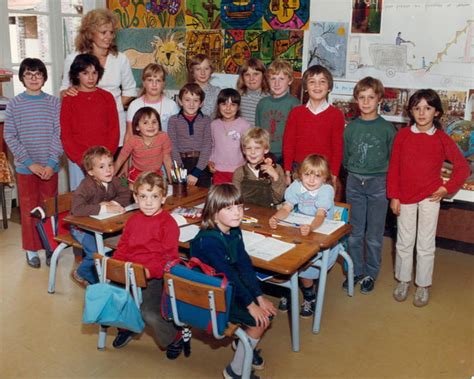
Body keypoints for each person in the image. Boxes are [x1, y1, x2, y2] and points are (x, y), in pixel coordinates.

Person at [387, 89, 470, 307]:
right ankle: (403, 280)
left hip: (430, 198)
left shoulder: (442, 138)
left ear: (437, 112)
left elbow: (461, 168)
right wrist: (394, 196)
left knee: (425, 244)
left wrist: (446, 189)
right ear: (411, 111)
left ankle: (422, 285)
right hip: (404, 196)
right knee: (404, 242)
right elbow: (394, 167)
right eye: (417, 108)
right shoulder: (402, 136)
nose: (422, 113)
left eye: (427, 108)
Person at [190, 184, 277, 378]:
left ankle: (244, 344)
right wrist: (250, 305)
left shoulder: (234, 230)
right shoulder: (209, 241)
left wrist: (259, 296)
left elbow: (244, 264)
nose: (237, 213)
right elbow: (228, 275)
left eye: (239, 206)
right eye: (229, 208)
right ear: (213, 213)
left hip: (226, 286)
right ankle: (234, 371)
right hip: (211, 293)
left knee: (264, 311)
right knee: (259, 321)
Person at [112, 172, 187, 359]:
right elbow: (123, 247)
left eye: (154, 196)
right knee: (118, 301)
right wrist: (115, 266)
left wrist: (149, 270)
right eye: (143, 196)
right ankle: (128, 328)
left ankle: (174, 337)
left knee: (150, 313)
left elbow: (169, 258)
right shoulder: (133, 220)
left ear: (163, 197)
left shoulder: (168, 224)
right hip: (130, 272)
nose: (148, 202)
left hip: (155, 277)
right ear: (136, 197)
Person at [4, 58, 62, 269]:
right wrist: (30, 163)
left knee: (49, 208)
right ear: (22, 78)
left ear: (44, 78)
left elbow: (59, 134)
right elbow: (10, 136)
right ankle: (31, 249)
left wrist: (51, 162)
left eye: (38, 74)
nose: (34, 78)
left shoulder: (55, 103)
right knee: (29, 208)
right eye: (29, 74)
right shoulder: (14, 104)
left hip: (50, 166)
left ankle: (50, 247)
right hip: (26, 167)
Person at [342, 77, 397, 294]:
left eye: (371, 97)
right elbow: (346, 158)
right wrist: (356, 172)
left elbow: (393, 161)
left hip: (378, 184)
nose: (366, 102)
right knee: (354, 233)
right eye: (361, 97)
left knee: (373, 235)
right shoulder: (351, 128)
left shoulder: (387, 129)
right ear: (356, 100)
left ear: (379, 100)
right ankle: (355, 270)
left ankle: (370, 274)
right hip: (354, 182)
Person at [269, 154, 340, 317]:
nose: (312, 180)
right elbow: (286, 208)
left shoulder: (326, 190)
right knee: (281, 253)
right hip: (301, 228)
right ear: (300, 175)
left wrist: (311, 227)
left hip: (322, 232)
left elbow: (320, 216)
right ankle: (289, 290)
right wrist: (276, 218)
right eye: (307, 174)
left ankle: (309, 295)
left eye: (317, 176)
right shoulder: (296, 186)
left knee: (303, 263)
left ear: (325, 178)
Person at [60, 8, 136, 147]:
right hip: (83, 126)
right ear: (90, 34)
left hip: (113, 125)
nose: (108, 36)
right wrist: (68, 93)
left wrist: (110, 106)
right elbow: (64, 89)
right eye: (103, 32)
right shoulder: (73, 58)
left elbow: (130, 90)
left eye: (111, 32)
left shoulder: (120, 59)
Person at [70, 146, 131, 286]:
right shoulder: (86, 185)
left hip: (102, 225)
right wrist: (104, 208)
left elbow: (126, 193)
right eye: (102, 167)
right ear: (91, 171)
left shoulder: (115, 180)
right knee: (95, 253)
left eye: (110, 165)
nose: (108, 170)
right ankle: (80, 273)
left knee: (123, 243)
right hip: (81, 228)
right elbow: (77, 209)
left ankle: (106, 275)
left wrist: (113, 203)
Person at [60, 53, 119, 190]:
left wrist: (105, 157)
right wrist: (81, 160)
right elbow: (66, 133)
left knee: (104, 198)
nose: (91, 77)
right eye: (85, 73)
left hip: (104, 159)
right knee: (81, 198)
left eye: (94, 72)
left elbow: (114, 129)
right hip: (77, 159)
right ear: (77, 75)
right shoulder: (69, 99)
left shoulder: (107, 97)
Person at [282, 65, 345, 193]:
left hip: (324, 172)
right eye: (312, 82)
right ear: (305, 87)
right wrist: (287, 172)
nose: (317, 86)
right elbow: (288, 143)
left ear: (329, 87)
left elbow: (337, 147)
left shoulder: (336, 115)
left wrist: (334, 175)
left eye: (322, 82)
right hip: (299, 170)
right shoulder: (296, 113)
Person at [167, 83, 212, 188]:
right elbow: (173, 146)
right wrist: (181, 170)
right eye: (187, 100)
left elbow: (207, 146)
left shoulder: (206, 120)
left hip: (201, 165)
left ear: (201, 103)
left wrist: (196, 172)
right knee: (181, 197)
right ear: (180, 101)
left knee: (203, 199)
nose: (191, 104)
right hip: (181, 165)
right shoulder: (173, 120)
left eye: (196, 100)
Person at [255, 59, 300, 164]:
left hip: (286, 155)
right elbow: (258, 130)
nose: (277, 83)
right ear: (268, 80)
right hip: (265, 153)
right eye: (273, 78)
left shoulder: (295, 104)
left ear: (289, 80)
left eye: (281, 79)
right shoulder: (262, 103)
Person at [115, 107, 173, 187]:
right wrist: (110, 178)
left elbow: (167, 159)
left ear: (159, 124)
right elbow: (121, 159)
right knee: (134, 196)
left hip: (156, 175)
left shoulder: (164, 137)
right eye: (145, 123)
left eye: (154, 122)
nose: (151, 126)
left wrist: (172, 182)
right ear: (137, 127)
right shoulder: (133, 140)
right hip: (136, 176)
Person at [232, 128, 286, 208]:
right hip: (246, 214)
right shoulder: (239, 172)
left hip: (268, 213)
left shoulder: (277, 169)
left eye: (257, 148)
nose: (252, 152)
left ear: (266, 149)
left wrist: (275, 177)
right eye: (248, 148)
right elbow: (236, 200)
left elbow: (278, 198)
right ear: (243, 150)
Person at [125, 63, 179, 141]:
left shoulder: (171, 105)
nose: (154, 84)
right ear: (144, 83)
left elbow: (177, 135)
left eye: (158, 80)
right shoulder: (134, 105)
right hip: (140, 151)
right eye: (150, 80)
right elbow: (129, 134)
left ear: (163, 83)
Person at [208, 88, 250, 184]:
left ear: (238, 107)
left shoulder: (244, 125)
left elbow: (249, 148)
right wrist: (209, 161)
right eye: (224, 104)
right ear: (218, 106)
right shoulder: (214, 125)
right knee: (219, 197)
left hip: (239, 171)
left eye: (233, 105)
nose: (228, 108)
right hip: (218, 171)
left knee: (236, 198)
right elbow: (211, 146)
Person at [236, 58, 270, 127]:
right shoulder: (237, 98)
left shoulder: (269, 99)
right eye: (247, 75)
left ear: (263, 76)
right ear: (242, 77)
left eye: (256, 74)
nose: (251, 78)